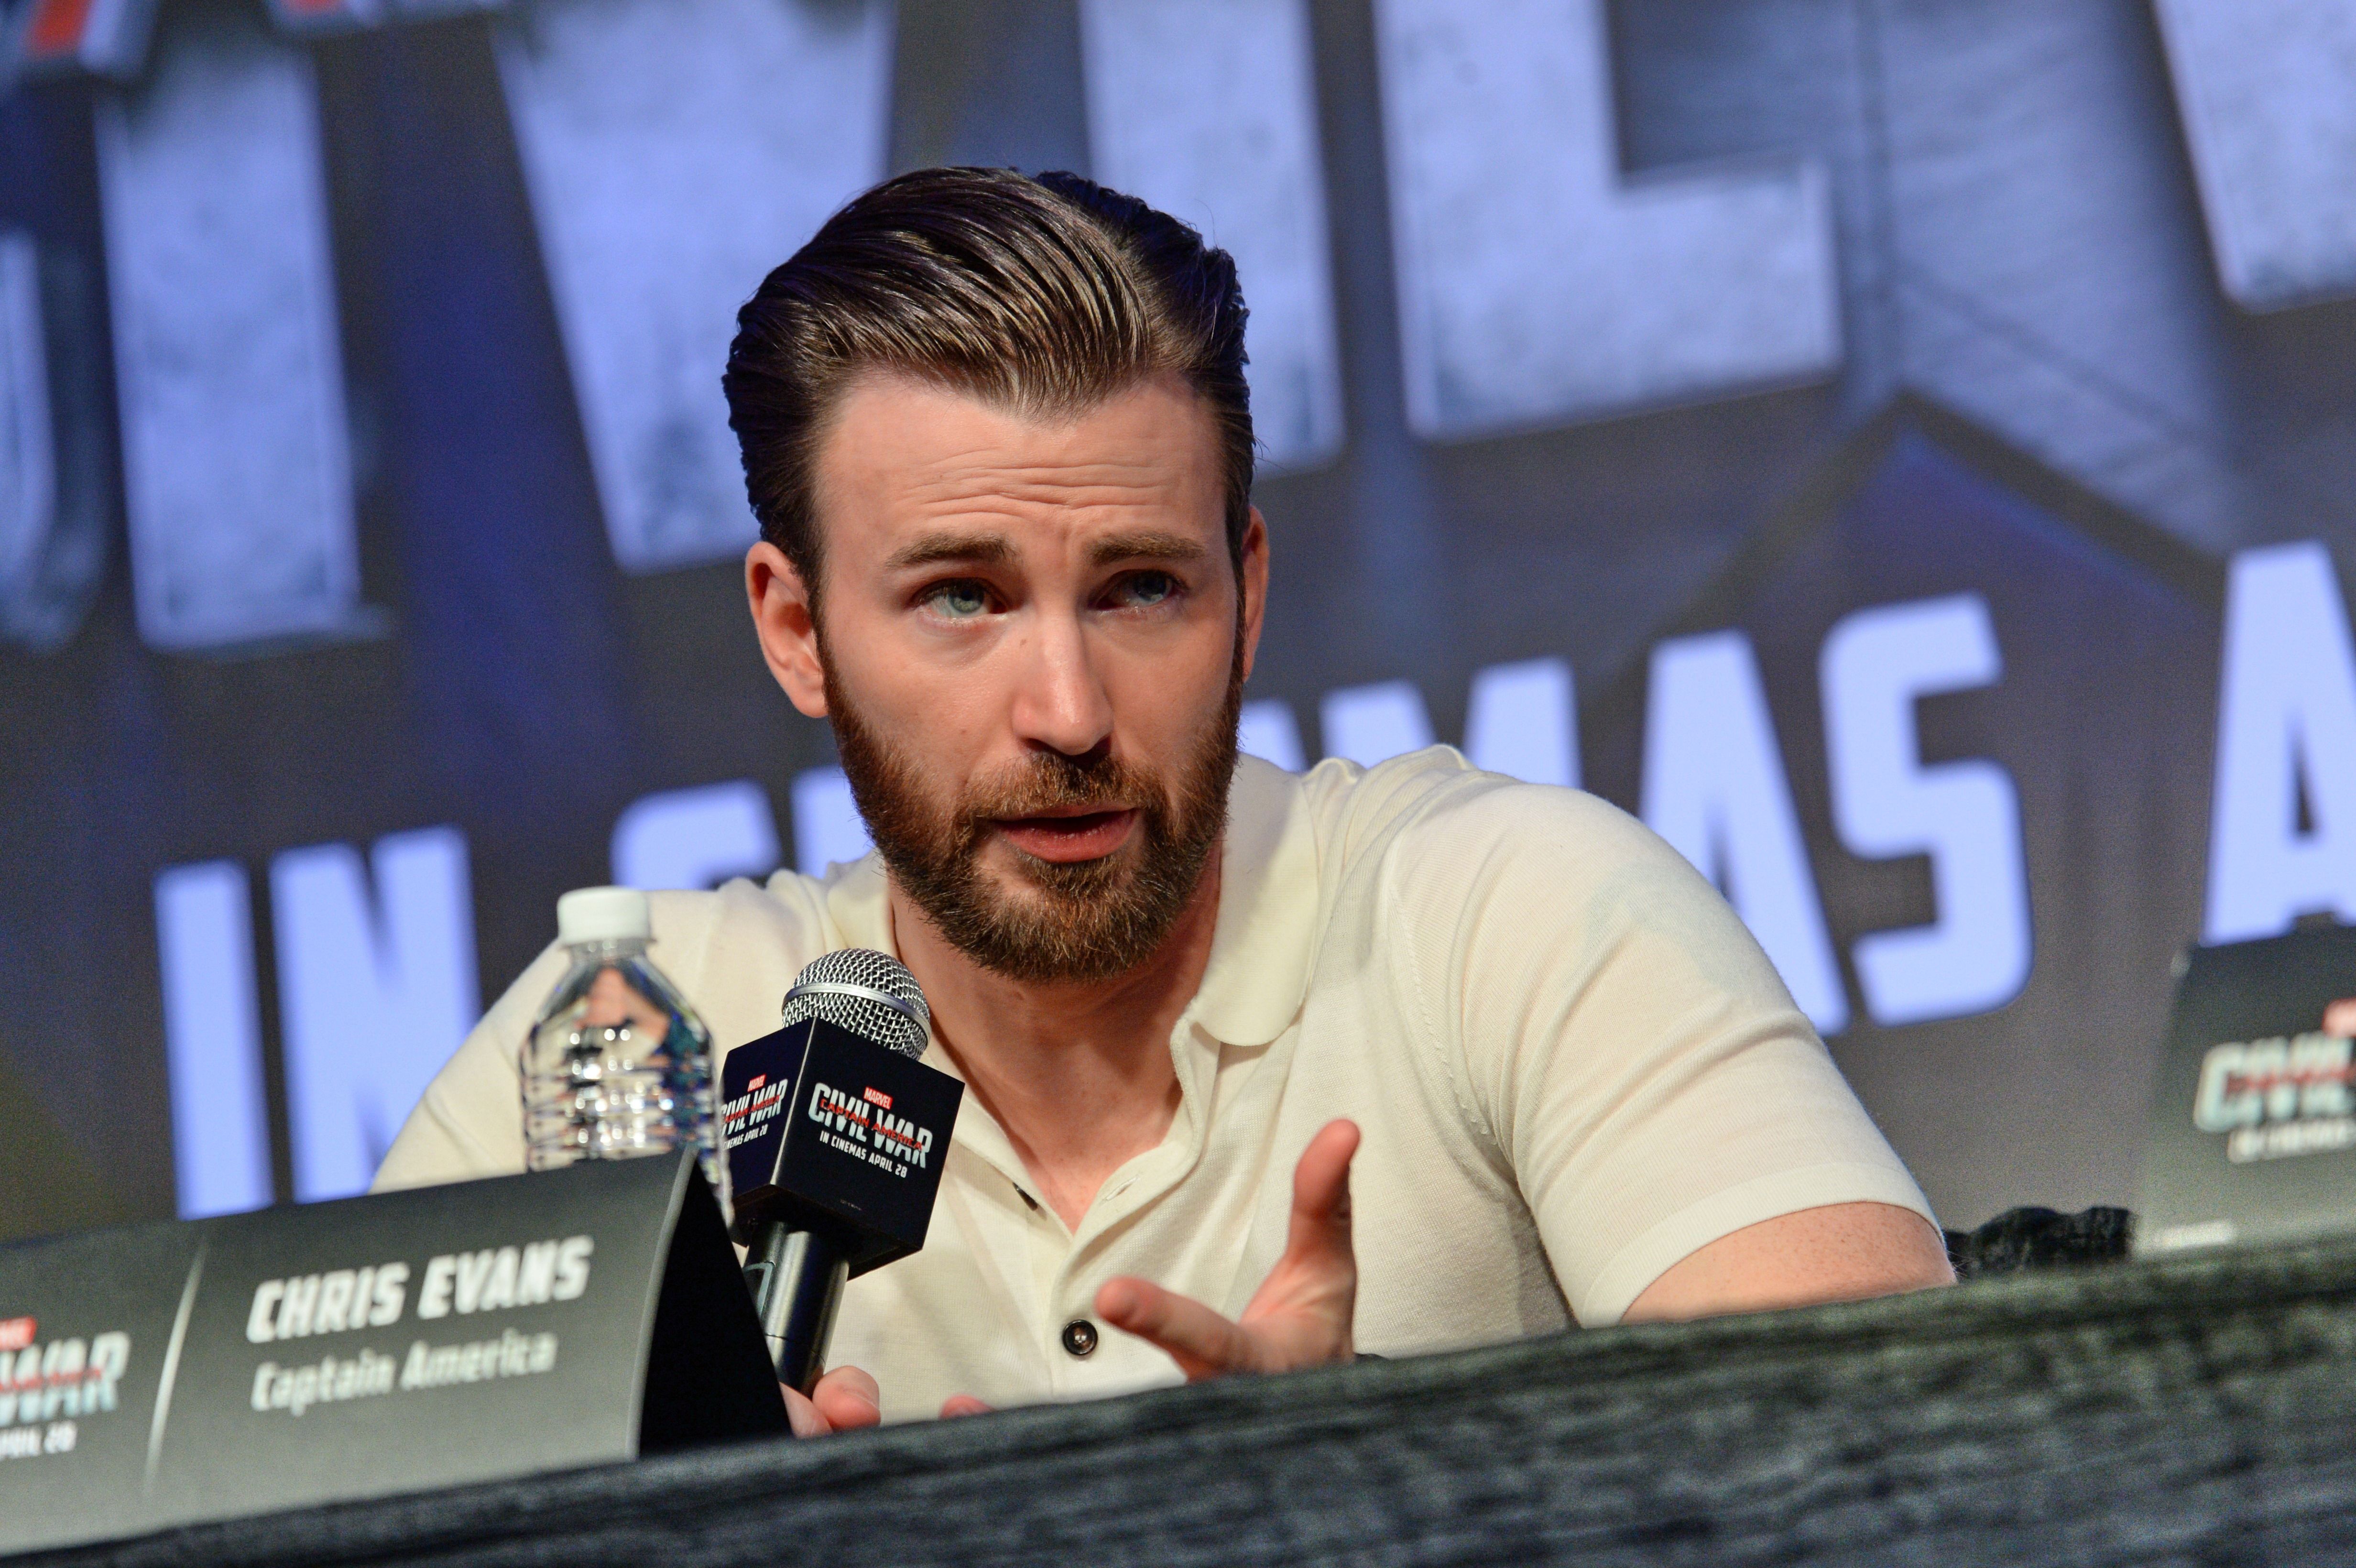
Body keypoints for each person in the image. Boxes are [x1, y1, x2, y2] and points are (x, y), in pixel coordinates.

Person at [375, 167, 1953, 1435]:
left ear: (1246, 594)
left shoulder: (1508, 908)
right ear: (796, 629)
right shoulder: (626, 1038)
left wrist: (1379, 1486)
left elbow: (1905, 1467)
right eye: (960, 600)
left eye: (1138, 590)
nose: (1068, 714)